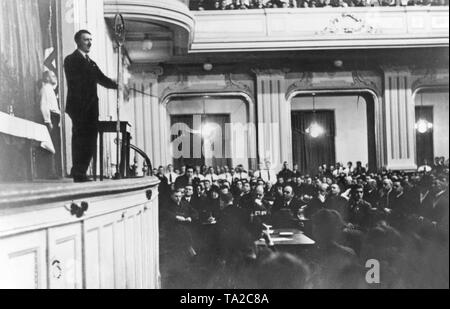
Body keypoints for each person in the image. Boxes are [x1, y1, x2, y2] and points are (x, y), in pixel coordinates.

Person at [64, 30, 118, 182]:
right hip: (80, 108)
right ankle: (78, 172)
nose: (89, 43)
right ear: (78, 41)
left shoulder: (91, 62)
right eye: (86, 39)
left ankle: (81, 171)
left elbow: (101, 78)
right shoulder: (71, 60)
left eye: (91, 40)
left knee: (90, 140)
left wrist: (116, 84)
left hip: (91, 108)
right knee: (81, 139)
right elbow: (78, 82)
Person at [39, 70, 61, 178]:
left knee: (54, 144)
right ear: (47, 78)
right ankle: (49, 172)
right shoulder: (46, 89)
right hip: (50, 118)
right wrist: (48, 121)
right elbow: (44, 105)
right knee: (49, 144)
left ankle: (53, 171)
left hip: (54, 118)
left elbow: (55, 84)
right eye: (52, 75)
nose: (55, 77)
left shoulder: (50, 89)